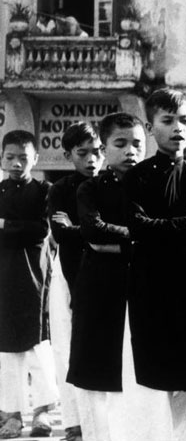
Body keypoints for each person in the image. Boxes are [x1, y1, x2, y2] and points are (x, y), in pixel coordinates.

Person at [117, 89, 186, 441]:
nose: (178, 127)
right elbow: (137, 227)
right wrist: (183, 224)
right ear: (151, 127)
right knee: (154, 374)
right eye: (168, 120)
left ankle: (181, 437)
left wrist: (168, 229)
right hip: (151, 281)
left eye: (184, 120)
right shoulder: (136, 178)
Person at [70, 113, 146, 441]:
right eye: (121, 143)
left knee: (137, 370)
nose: (130, 151)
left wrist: (121, 243)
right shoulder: (91, 187)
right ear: (104, 147)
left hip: (142, 283)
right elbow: (92, 230)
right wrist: (142, 236)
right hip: (100, 284)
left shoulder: (149, 185)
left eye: (137, 144)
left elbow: (108, 238)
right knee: (98, 369)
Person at [47, 122, 105, 441]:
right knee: (67, 349)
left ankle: (100, 422)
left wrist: (80, 229)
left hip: (106, 271)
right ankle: (74, 423)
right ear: (68, 154)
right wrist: (94, 230)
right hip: (69, 273)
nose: (92, 159)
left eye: (97, 151)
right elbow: (60, 235)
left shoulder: (112, 185)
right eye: (83, 153)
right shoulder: (60, 189)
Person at [0, 130, 57, 439]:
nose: (16, 163)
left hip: (34, 278)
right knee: (7, 353)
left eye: (23, 157)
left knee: (38, 348)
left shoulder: (44, 190)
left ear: (35, 158)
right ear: (1, 158)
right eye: (10, 157)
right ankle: (11, 415)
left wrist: (5, 226)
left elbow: (40, 231)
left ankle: (43, 412)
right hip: (3, 280)